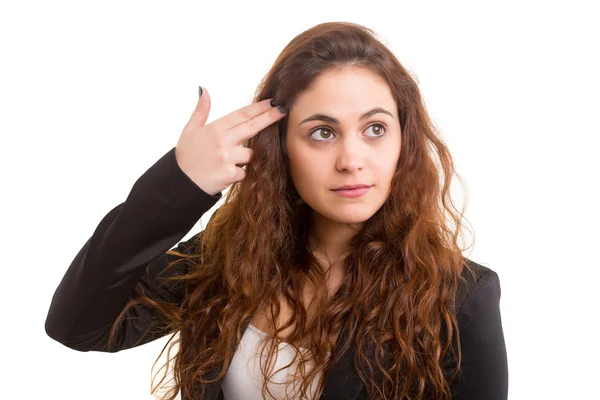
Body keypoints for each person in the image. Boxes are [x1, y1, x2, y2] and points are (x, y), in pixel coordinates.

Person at [45, 21, 508, 400]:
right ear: (281, 146)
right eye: (322, 132)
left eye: (375, 128)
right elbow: (79, 326)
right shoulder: (227, 259)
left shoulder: (460, 297)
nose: (351, 159)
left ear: (403, 141)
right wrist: (176, 186)